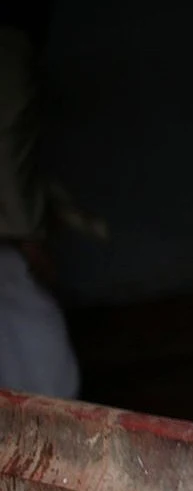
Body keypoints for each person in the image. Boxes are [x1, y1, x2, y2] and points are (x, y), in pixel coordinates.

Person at [0, 2, 80, 399]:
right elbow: (9, 140)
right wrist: (30, 236)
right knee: (37, 341)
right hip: (10, 239)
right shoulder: (10, 52)